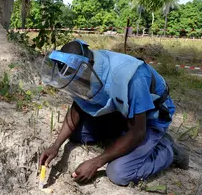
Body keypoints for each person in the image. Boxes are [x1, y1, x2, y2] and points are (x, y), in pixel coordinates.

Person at [39, 39, 189, 186]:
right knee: (77, 134)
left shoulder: (131, 77)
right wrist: (56, 145)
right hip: (122, 113)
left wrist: (96, 162)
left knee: (119, 173)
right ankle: (123, 137)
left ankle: (169, 150)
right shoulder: (83, 69)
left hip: (150, 119)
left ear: (86, 68)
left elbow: (138, 131)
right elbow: (77, 108)